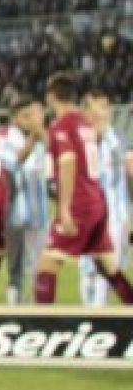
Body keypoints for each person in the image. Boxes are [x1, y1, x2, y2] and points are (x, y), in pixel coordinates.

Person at [35, 72, 133, 305]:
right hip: (98, 202)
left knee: (47, 264)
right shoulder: (86, 125)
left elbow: (68, 163)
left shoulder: (62, 125)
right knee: (108, 266)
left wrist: (65, 209)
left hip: (79, 204)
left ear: (51, 97)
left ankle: (42, 320)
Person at [0, 98, 49, 305]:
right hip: (17, 215)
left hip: (39, 215)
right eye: (25, 116)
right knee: (16, 269)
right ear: (15, 119)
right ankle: (14, 309)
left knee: (40, 268)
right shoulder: (6, 141)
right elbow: (16, 162)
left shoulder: (40, 141)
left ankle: (38, 310)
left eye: (32, 115)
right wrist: (35, 138)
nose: (30, 120)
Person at [77, 88, 130, 307]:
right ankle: (89, 312)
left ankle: (99, 312)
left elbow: (129, 175)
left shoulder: (118, 138)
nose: (101, 112)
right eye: (95, 107)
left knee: (109, 268)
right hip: (87, 215)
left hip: (115, 215)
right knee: (87, 269)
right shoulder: (78, 138)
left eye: (104, 107)